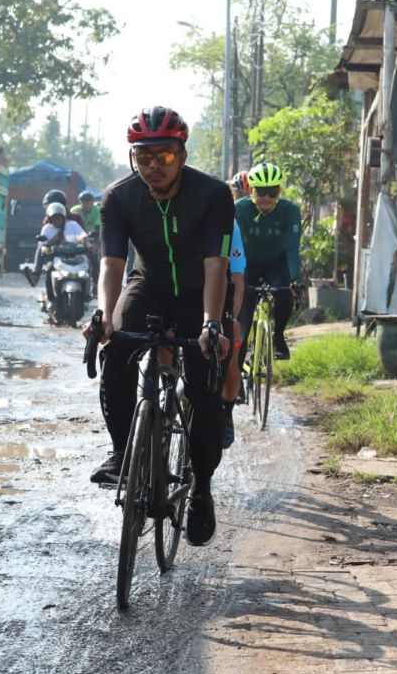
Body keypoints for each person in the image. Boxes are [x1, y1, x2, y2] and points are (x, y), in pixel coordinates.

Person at [85, 106, 234, 547]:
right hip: (147, 284)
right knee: (115, 353)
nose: (153, 166)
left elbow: (217, 265)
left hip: (198, 293)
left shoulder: (213, 195)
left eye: (164, 157)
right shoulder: (118, 196)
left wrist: (211, 324)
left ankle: (202, 489)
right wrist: (105, 317)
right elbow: (111, 265)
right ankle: (121, 454)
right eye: (143, 157)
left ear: (183, 156)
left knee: (205, 390)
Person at [235, 162, 302, 360]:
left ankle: (278, 336)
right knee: (242, 327)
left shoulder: (290, 211)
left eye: (272, 193)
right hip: (247, 264)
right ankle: (236, 382)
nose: (266, 198)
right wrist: (231, 275)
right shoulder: (239, 209)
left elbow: (292, 246)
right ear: (252, 189)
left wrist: (295, 278)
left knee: (283, 290)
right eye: (261, 192)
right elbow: (234, 247)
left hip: (276, 263)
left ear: (279, 191)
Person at [220, 197, 248, 448]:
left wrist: (234, 317)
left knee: (229, 360)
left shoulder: (230, 227)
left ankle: (226, 413)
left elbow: (237, 276)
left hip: (221, 290)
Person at [21, 202, 87, 288]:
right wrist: (49, 245)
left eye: (59, 218)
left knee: (88, 264)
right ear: (50, 219)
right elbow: (43, 245)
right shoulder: (47, 228)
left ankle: (95, 283)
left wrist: (85, 242)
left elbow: (82, 236)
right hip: (55, 257)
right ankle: (36, 276)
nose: (57, 221)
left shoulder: (72, 224)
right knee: (49, 269)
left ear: (63, 218)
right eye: (54, 218)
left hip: (75, 256)